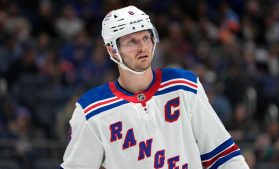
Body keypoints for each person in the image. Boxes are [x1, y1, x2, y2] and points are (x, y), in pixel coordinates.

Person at [60, 5, 250, 169]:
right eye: (131, 41)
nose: (142, 47)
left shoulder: (184, 86)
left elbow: (224, 155)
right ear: (112, 50)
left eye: (145, 38)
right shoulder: (91, 111)